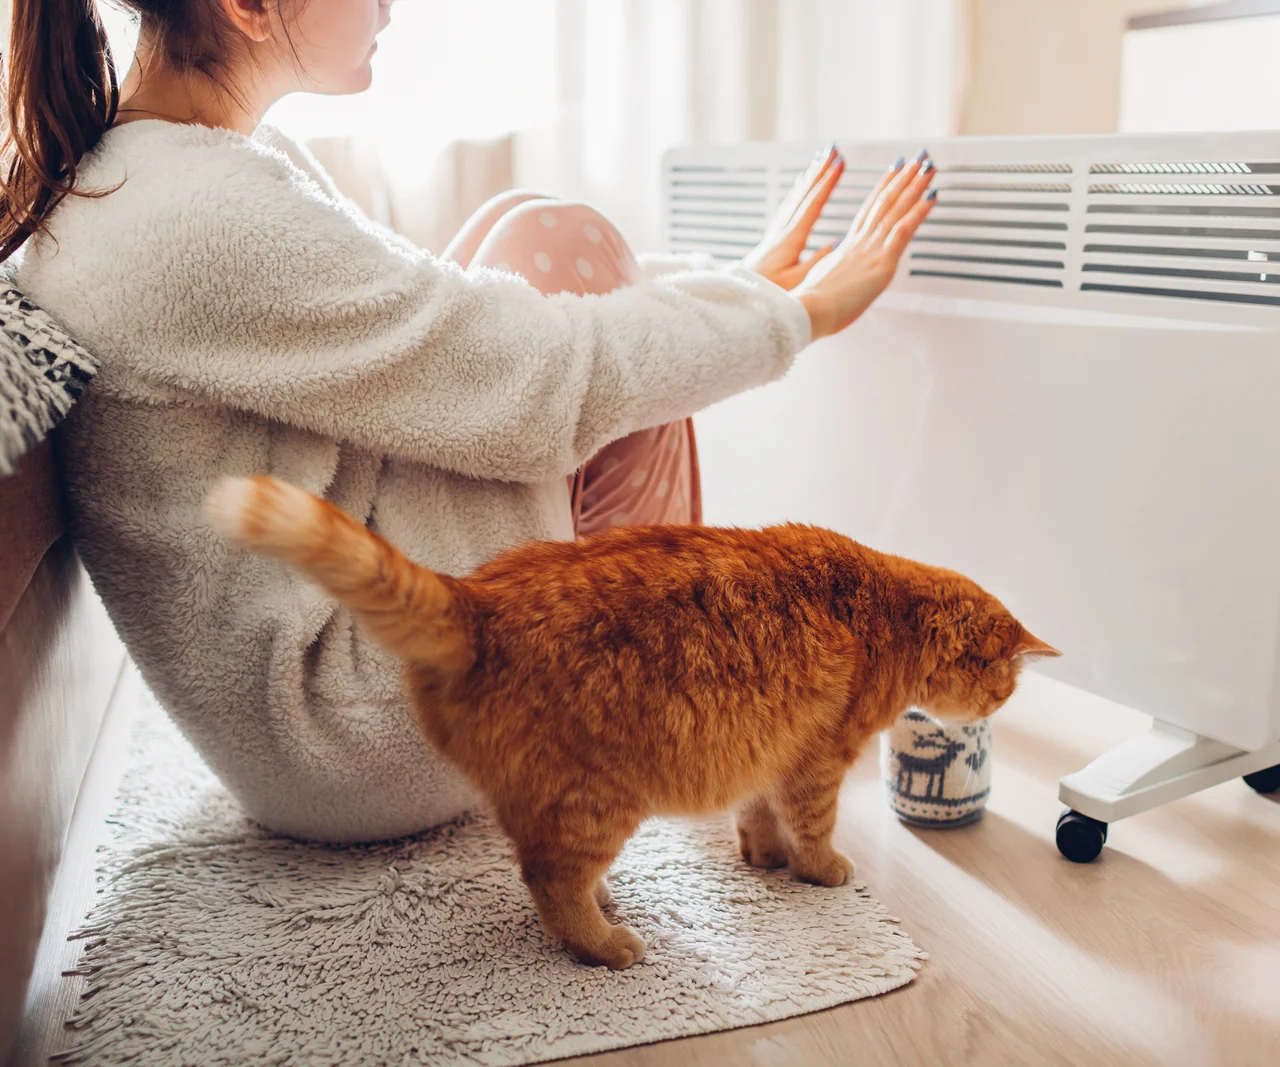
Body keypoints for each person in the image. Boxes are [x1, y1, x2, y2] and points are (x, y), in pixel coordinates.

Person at [1, 0, 937, 842]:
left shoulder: (164, 175)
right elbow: (545, 383)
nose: (393, 9)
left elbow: (450, 327)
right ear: (247, 8)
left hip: (316, 696)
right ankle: (659, 711)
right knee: (557, 249)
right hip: (351, 728)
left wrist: (741, 288)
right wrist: (797, 316)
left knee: (525, 231)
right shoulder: (196, 213)